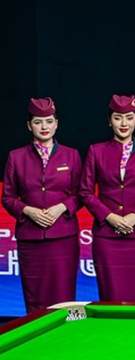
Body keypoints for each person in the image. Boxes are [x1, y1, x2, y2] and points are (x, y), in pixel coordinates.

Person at [80, 95, 135, 302]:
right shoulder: (96, 151)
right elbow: (85, 191)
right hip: (106, 236)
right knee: (110, 294)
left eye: (129, 117)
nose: (124, 123)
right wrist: (110, 217)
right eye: (118, 118)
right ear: (110, 121)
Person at [2, 98, 82, 313]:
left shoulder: (71, 155)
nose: (44, 127)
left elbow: (80, 194)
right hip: (31, 239)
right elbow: (7, 197)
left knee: (64, 295)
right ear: (29, 126)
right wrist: (27, 210)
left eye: (49, 121)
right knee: (35, 296)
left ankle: (66, 333)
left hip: (63, 237)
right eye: (38, 122)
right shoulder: (16, 157)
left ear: (56, 124)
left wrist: (62, 207)